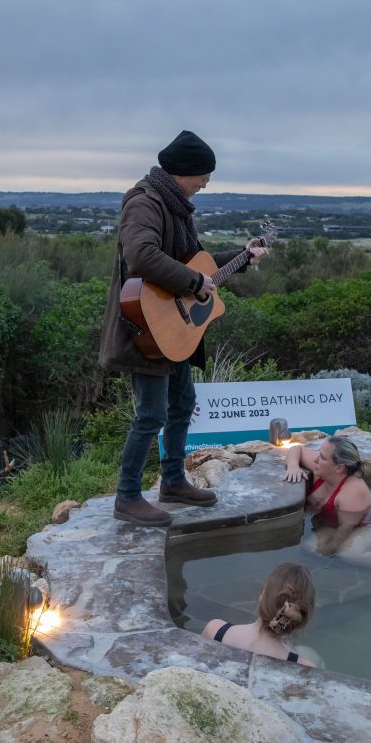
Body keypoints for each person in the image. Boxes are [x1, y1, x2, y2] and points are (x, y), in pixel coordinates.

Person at [99, 131, 269, 527]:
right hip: (146, 327)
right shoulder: (145, 202)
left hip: (174, 333)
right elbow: (140, 255)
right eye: (203, 176)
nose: (205, 184)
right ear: (184, 171)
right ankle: (127, 497)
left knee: (181, 405)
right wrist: (193, 283)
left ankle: (173, 481)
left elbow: (198, 264)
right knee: (150, 415)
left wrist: (243, 257)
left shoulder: (175, 207)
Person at [283, 436, 371, 576]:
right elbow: (297, 449)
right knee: (311, 548)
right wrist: (293, 467)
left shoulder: (352, 491)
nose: (316, 459)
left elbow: (344, 530)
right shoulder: (322, 467)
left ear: (339, 468)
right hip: (339, 523)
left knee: (348, 553)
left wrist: (327, 551)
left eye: (323, 457)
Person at [201, 562, 319, 667]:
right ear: (301, 618)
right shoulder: (303, 667)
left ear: (262, 594)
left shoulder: (215, 631)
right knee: (311, 654)